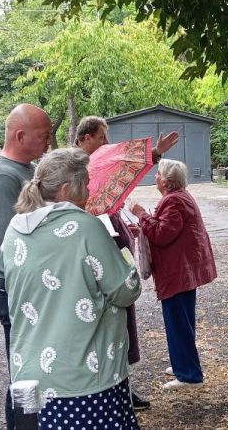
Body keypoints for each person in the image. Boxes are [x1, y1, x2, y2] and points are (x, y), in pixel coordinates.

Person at [2, 148, 142, 429]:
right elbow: (126, 289)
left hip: (29, 374)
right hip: (84, 379)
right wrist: (126, 258)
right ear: (66, 189)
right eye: (86, 184)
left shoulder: (15, 229)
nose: (89, 192)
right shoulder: (85, 228)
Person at [74, 115, 180, 409]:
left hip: (116, 266)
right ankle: (110, 393)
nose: (107, 143)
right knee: (106, 327)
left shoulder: (98, 166)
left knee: (121, 325)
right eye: (102, 137)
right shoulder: (77, 170)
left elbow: (117, 175)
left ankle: (120, 389)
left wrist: (122, 226)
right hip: (99, 270)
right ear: (85, 138)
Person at [0, 103, 52, 430]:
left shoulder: (26, 170)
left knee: (38, 371)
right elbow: (15, 245)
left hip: (32, 286)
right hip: (15, 289)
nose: (48, 141)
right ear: (20, 136)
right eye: (43, 135)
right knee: (24, 377)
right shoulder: (0, 177)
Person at [130, 159, 217, 390]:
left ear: (167, 181)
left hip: (178, 271)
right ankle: (183, 363)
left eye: (158, 174)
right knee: (182, 320)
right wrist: (144, 225)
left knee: (178, 322)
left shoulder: (174, 200)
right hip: (183, 269)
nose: (156, 177)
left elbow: (162, 234)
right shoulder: (179, 197)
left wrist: (141, 214)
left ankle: (189, 375)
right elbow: (165, 228)